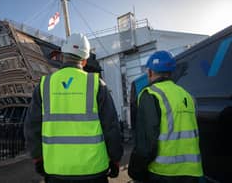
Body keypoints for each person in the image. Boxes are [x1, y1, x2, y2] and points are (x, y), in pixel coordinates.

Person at [24, 33, 123, 183]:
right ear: (84, 61)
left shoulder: (44, 85)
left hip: (56, 171)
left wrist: (37, 158)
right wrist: (115, 159)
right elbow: (111, 127)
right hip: (94, 171)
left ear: (63, 56)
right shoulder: (97, 84)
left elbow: (32, 127)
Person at [128, 50, 203, 183]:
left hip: (163, 173)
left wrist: (135, 170)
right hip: (192, 172)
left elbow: (146, 141)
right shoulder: (188, 96)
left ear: (150, 72)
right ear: (171, 72)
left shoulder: (150, 94)